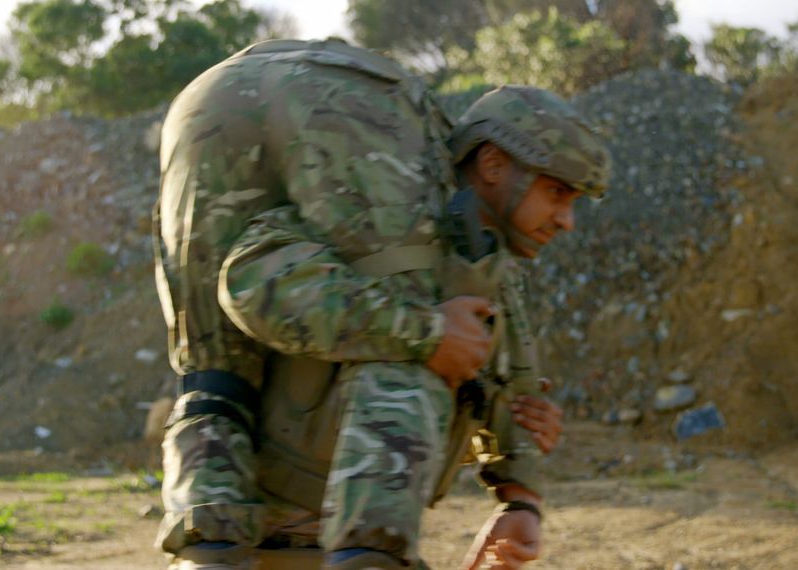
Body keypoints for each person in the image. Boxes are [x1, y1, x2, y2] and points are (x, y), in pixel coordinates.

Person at [152, 38, 610, 570]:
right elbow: (254, 280)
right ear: (491, 164)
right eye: (558, 193)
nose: (567, 220)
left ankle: (209, 548)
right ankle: (368, 554)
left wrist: (520, 492)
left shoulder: (464, 230)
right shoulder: (413, 200)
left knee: (215, 377)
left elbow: (508, 357)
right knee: (416, 350)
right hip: (313, 96)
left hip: (213, 103)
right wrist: (425, 334)